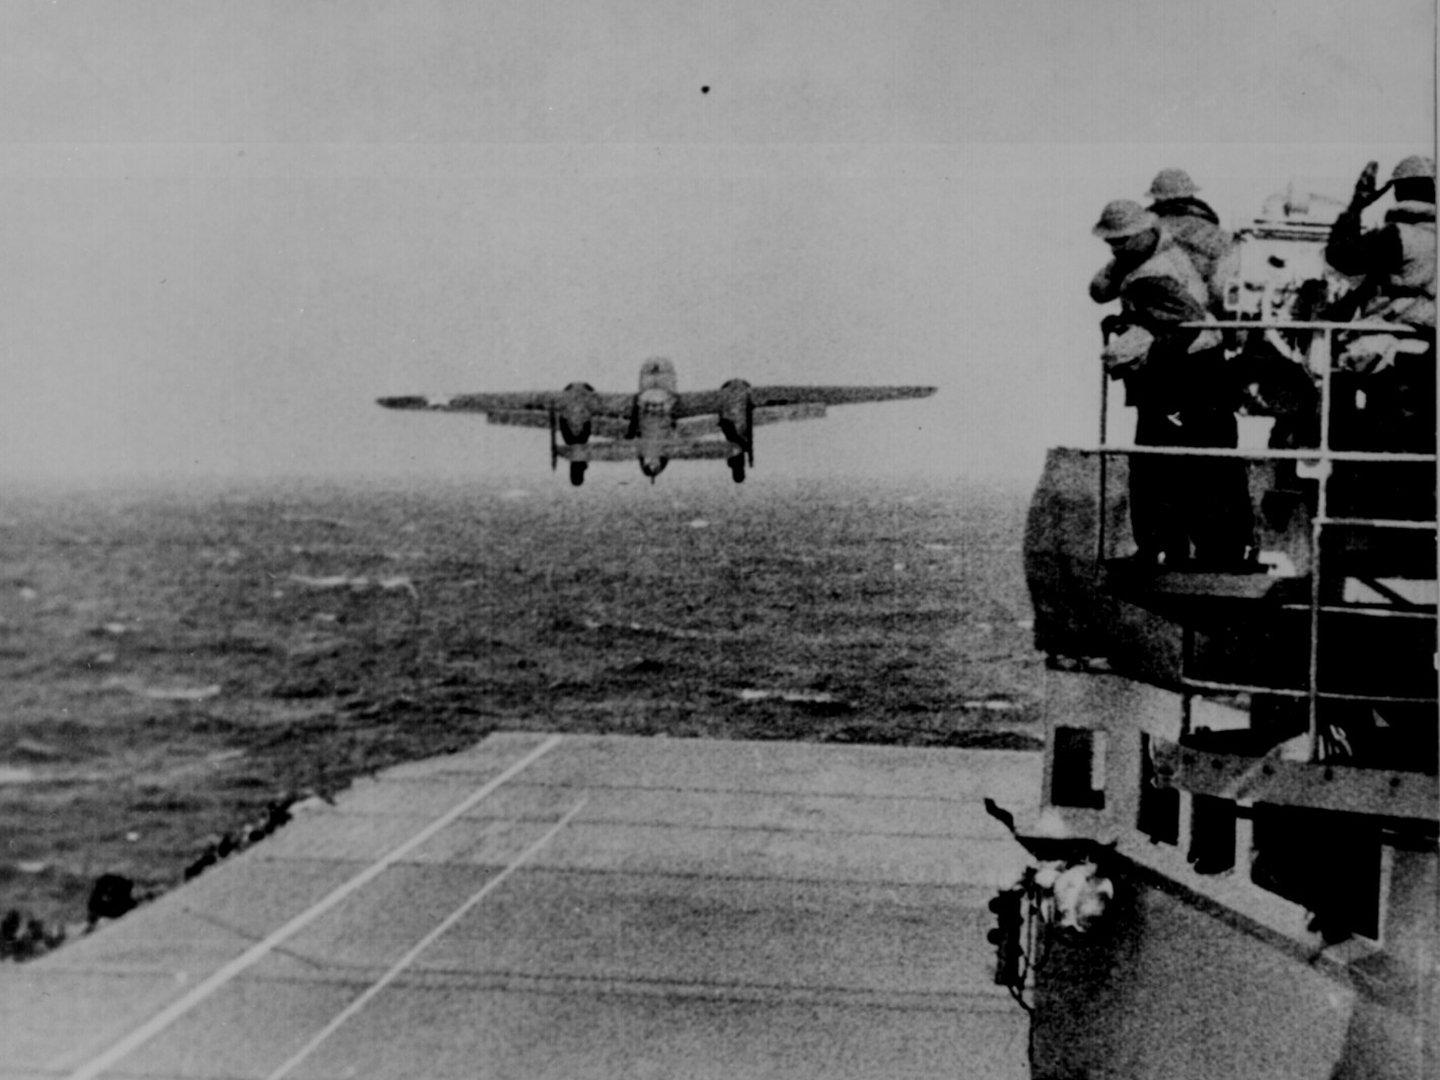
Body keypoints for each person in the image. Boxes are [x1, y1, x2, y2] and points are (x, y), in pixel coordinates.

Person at [1091, 199, 1254, 569]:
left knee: (1155, 466)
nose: (1115, 250)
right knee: (1213, 464)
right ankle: (1225, 550)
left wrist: (1144, 346)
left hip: (1179, 378)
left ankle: (1160, 548)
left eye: (1119, 242)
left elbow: (1187, 324)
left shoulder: (1150, 275)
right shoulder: (1173, 254)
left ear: (1139, 236)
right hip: (1205, 374)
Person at [1324, 154, 1436, 458]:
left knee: (1373, 434)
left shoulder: (1395, 236)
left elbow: (1340, 256)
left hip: (1392, 353)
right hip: (1430, 349)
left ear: (1397, 191)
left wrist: (1357, 203)